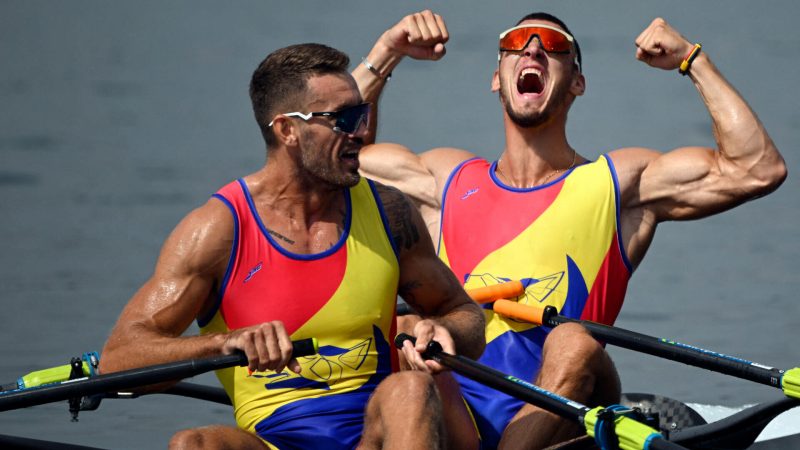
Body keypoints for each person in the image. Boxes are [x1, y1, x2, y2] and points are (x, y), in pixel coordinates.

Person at [355, 11, 787, 450]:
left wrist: (693, 60)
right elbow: (335, 159)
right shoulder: (445, 180)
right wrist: (386, 53)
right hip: (454, 414)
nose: (533, 49)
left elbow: (757, 169)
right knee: (407, 323)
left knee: (573, 340)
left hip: (566, 418)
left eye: (555, 45)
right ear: (497, 78)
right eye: (518, 42)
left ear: (577, 82)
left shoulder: (617, 185)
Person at [98, 17, 486, 450]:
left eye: (361, 113)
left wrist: (445, 331)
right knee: (192, 443)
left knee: (409, 389)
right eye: (343, 119)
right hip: (272, 441)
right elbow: (117, 360)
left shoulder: (389, 213)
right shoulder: (218, 230)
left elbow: (465, 314)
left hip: (373, 435)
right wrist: (223, 344)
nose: (361, 131)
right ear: (287, 130)